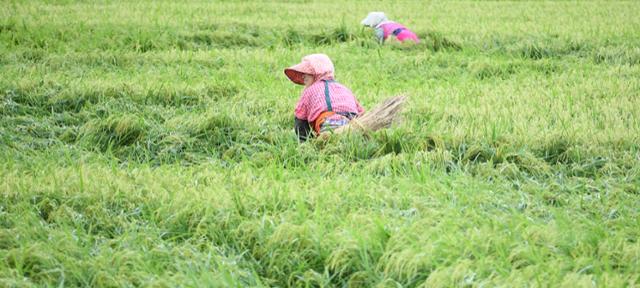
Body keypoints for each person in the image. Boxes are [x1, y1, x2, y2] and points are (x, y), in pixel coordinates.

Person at [284, 53, 364, 142]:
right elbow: (361, 113)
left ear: (316, 73)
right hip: (352, 124)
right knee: (349, 141)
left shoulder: (309, 91)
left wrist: (306, 141)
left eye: (307, 73)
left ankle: (310, 145)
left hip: (328, 124)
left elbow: (300, 118)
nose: (303, 76)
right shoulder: (344, 88)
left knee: (328, 143)